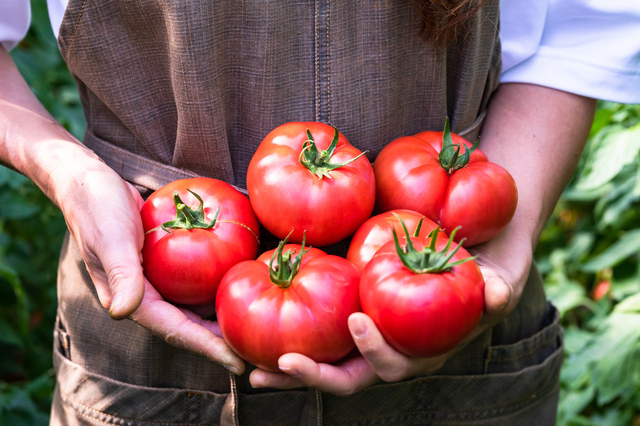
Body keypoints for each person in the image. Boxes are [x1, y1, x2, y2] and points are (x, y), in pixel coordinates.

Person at [1, 0, 639, 424]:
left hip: (462, 306)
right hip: (144, 312)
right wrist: (65, 167)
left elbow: (584, 28)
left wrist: (507, 235)